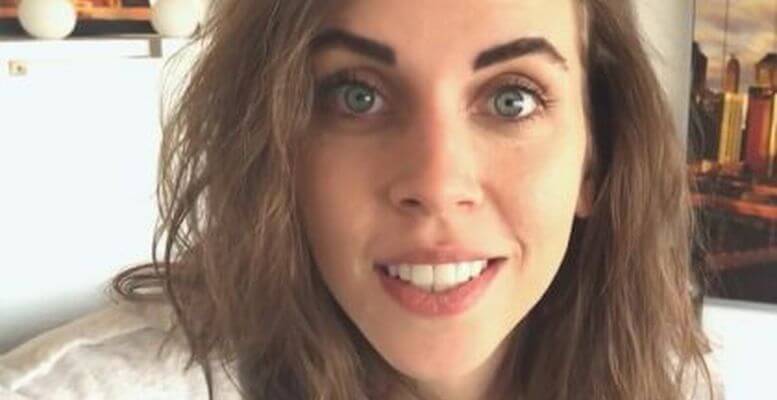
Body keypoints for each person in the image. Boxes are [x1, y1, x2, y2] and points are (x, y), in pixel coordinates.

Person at [1, 0, 719, 399]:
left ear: (594, 156)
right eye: (356, 96)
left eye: (512, 98)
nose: (436, 186)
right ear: (274, 146)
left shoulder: (665, 381)